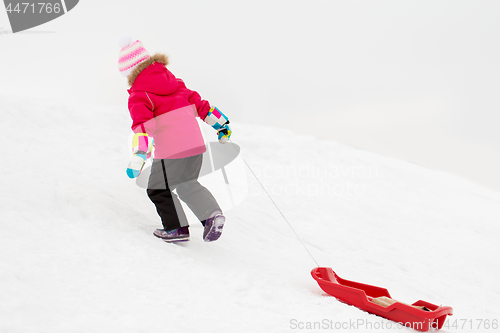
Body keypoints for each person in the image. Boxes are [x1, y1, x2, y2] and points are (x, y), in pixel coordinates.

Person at [117, 34, 232, 243]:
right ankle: (212, 215)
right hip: (196, 147)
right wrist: (221, 125)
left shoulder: (139, 94)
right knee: (188, 184)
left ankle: (176, 228)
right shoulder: (176, 84)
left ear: (130, 73)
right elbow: (201, 106)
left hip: (171, 151)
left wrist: (139, 155)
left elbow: (143, 127)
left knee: (158, 188)